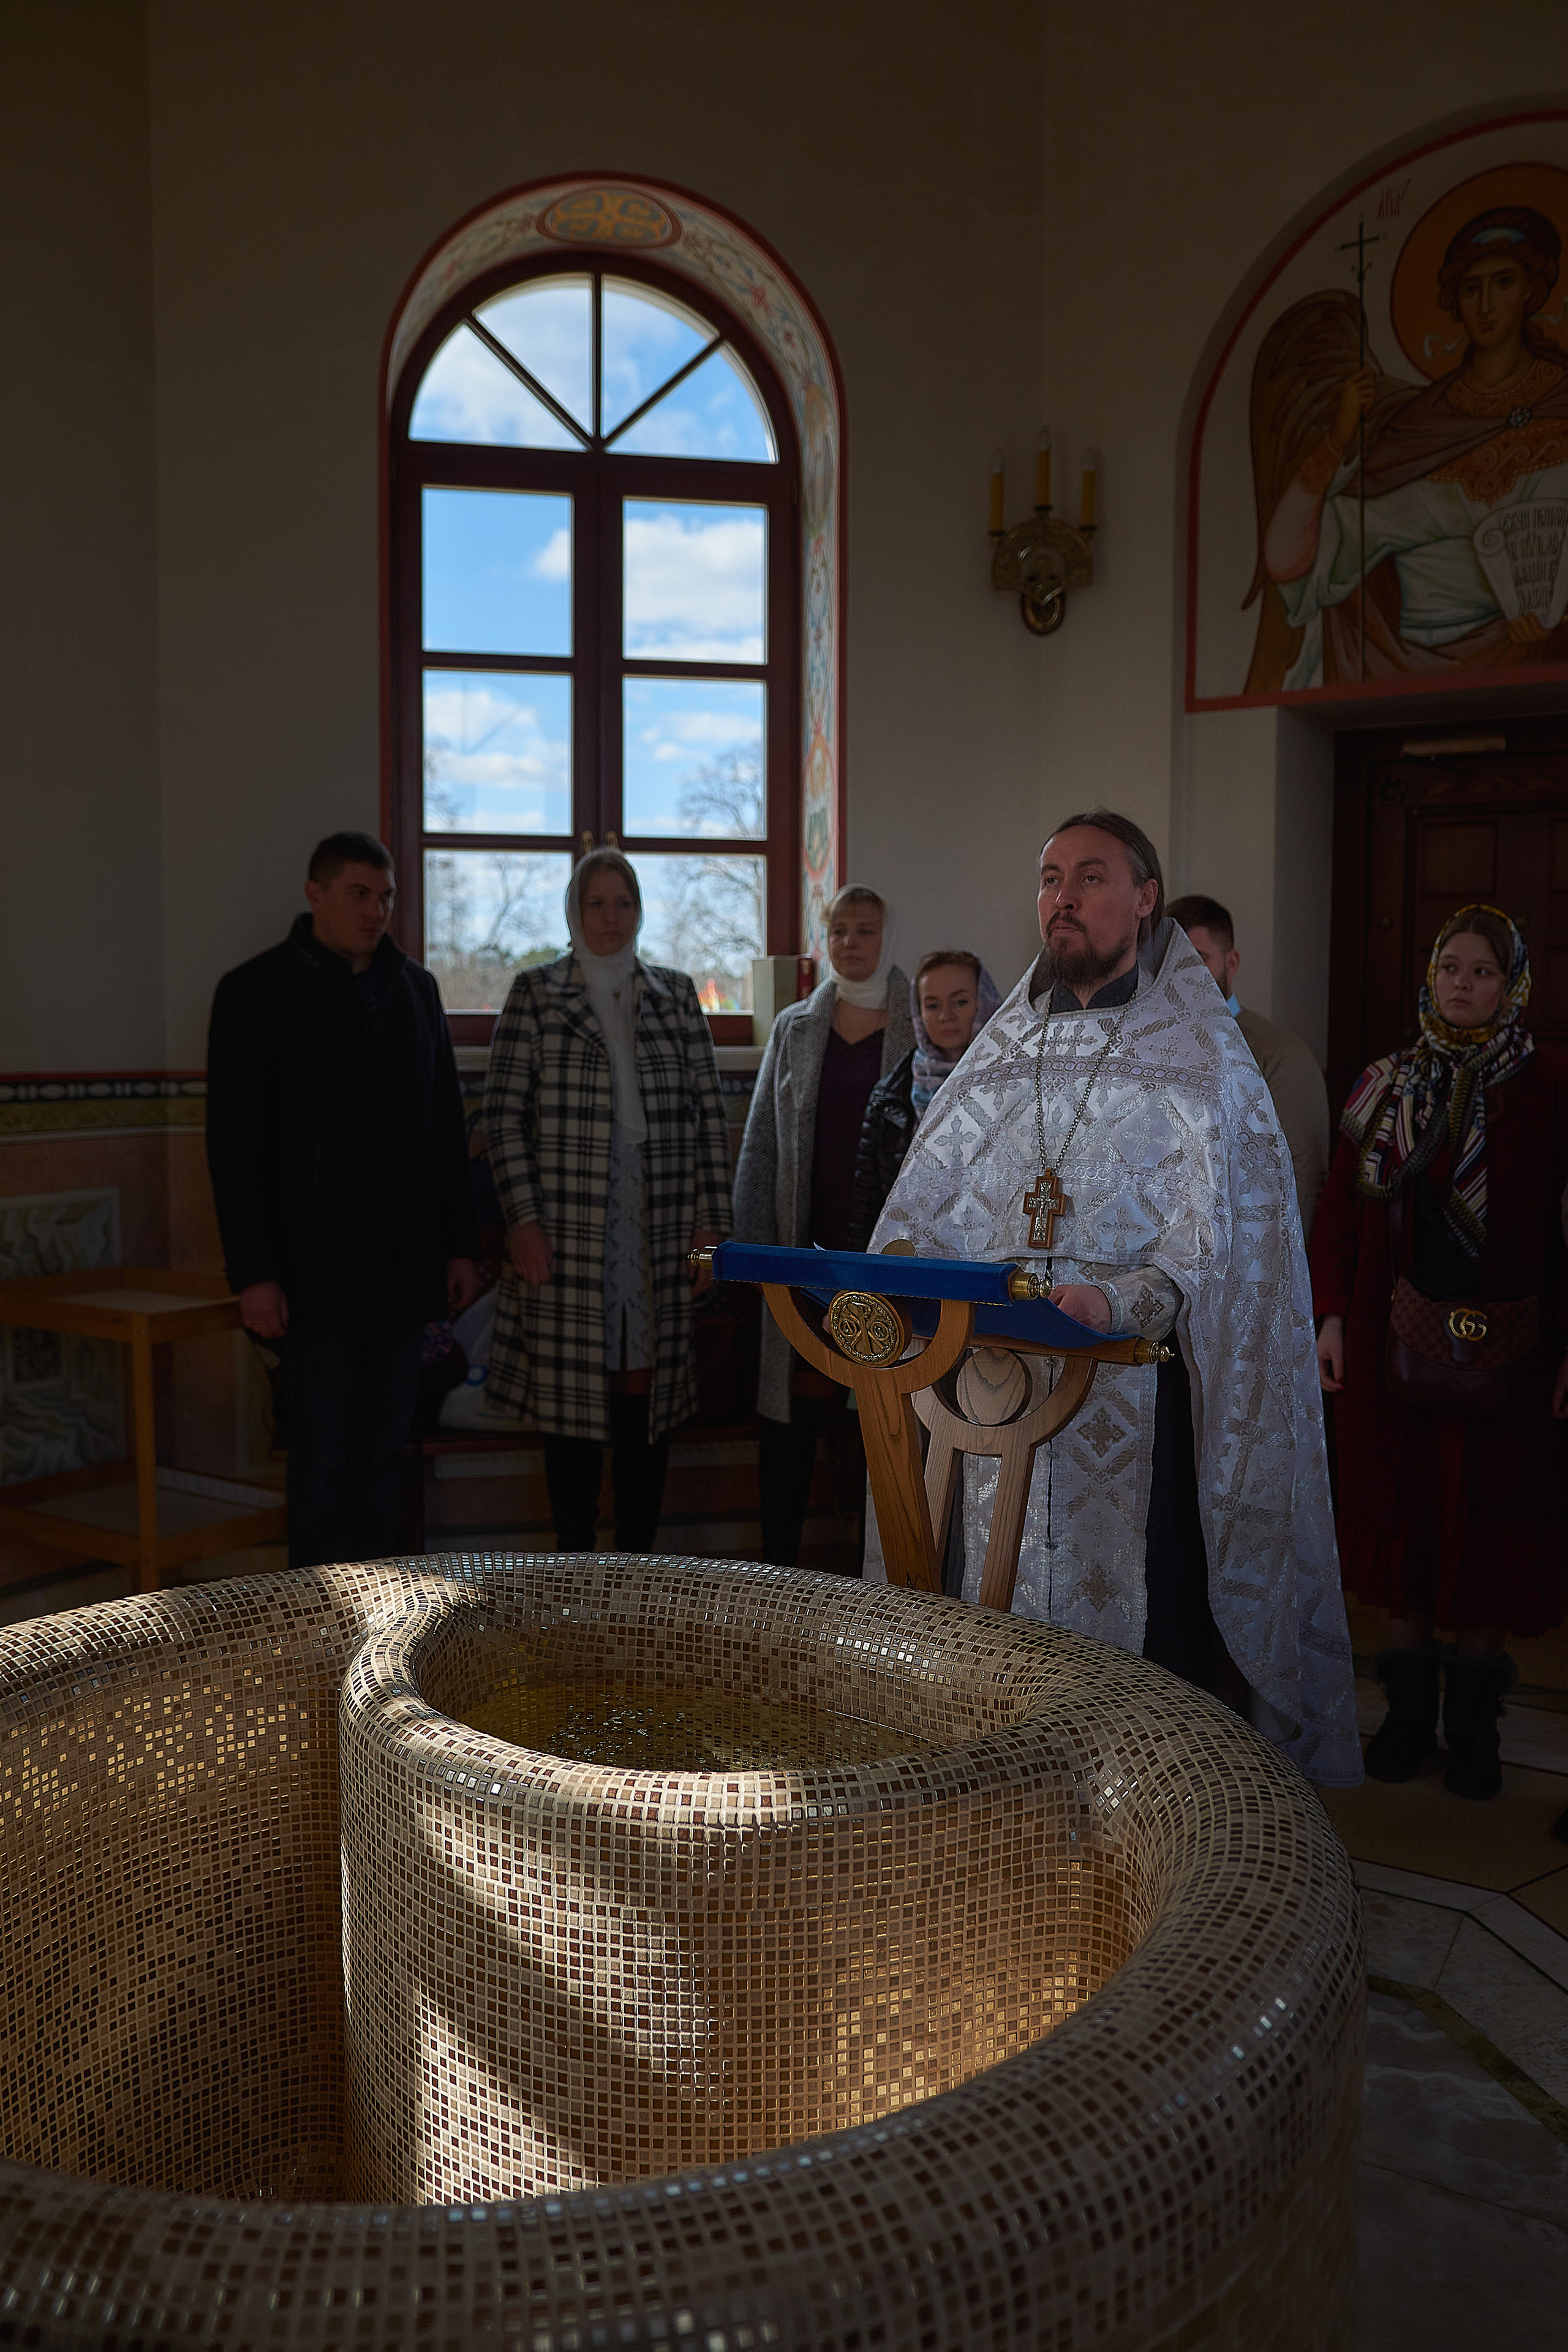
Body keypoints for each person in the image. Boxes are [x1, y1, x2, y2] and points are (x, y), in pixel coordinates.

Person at [869, 807, 1360, 1789]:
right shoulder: (997, 1063)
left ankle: (1155, 1828)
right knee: (991, 1629)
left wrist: (1124, 1300)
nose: (1063, 896)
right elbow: (917, 1216)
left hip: (1133, 1407)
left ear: (1144, 901)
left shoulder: (1205, 1064)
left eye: (1091, 877)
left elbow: (1230, 1258)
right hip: (994, 1403)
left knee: (1151, 1638)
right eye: (1050, 877)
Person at [1310, 905, 1568, 1801]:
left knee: (1492, 1526)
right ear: (1429, 978)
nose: (1462, 985)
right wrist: (1332, 1317)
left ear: (1514, 985)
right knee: (1412, 1520)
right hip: (1396, 1350)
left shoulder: (1550, 1087)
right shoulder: (1384, 1083)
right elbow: (1340, 1214)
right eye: (1449, 967)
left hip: (1517, 1356)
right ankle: (1408, 1715)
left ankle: (1474, 1728)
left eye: (1483, 972)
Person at [206, 830, 479, 1569]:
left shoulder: (415, 990)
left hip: (401, 1267)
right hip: (309, 1273)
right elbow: (235, 1148)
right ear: (315, 894)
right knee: (321, 1456)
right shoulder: (255, 992)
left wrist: (459, 1244)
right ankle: (317, 1625)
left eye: (386, 897)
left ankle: (382, 1616)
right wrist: (254, 1272)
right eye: (359, 894)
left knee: (385, 1453)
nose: (376, 911)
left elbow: (443, 1130)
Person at [483, 849, 731, 1551]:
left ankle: (636, 1576)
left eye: (623, 903)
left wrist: (713, 1231)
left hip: (657, 1219)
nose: (610, 917)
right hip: (565, 1227)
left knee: (642, 1403)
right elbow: (502, 1118)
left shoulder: (674, 994)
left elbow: (708, 1115)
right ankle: (573, 1572)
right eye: (596, 904)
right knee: (570, 1411)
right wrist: (523, 1222)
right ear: (574, 912)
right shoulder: (537, 993)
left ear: (639, 911)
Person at [733, 884, 914, 1566]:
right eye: (839, 930)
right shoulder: (796, 1027)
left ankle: (881, 1581)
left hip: (886, 1264)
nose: (851, 943)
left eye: (865, 930)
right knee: (792, 1424)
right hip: (803, 1260)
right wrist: (755, 1253)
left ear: (887, 938)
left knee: (878, 1424)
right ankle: (775, 1578)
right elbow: (760, 1148)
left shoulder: (917, 1019)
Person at [1168, 894, 1331, 1235]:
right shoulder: (1147, 1049)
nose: (1183, 976)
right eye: (1171, 963)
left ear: (1232, 962)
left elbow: (1303, 1179)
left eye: (1198, 961)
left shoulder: (1279, 1054)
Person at [847, 950, 1001, 1250]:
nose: (946, 1016)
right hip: (910, 1253)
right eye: (932, 1005)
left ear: (986, 1003)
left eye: (961, 1002)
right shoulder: (890, 1096)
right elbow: (866, 1204)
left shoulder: (1012, 1085)